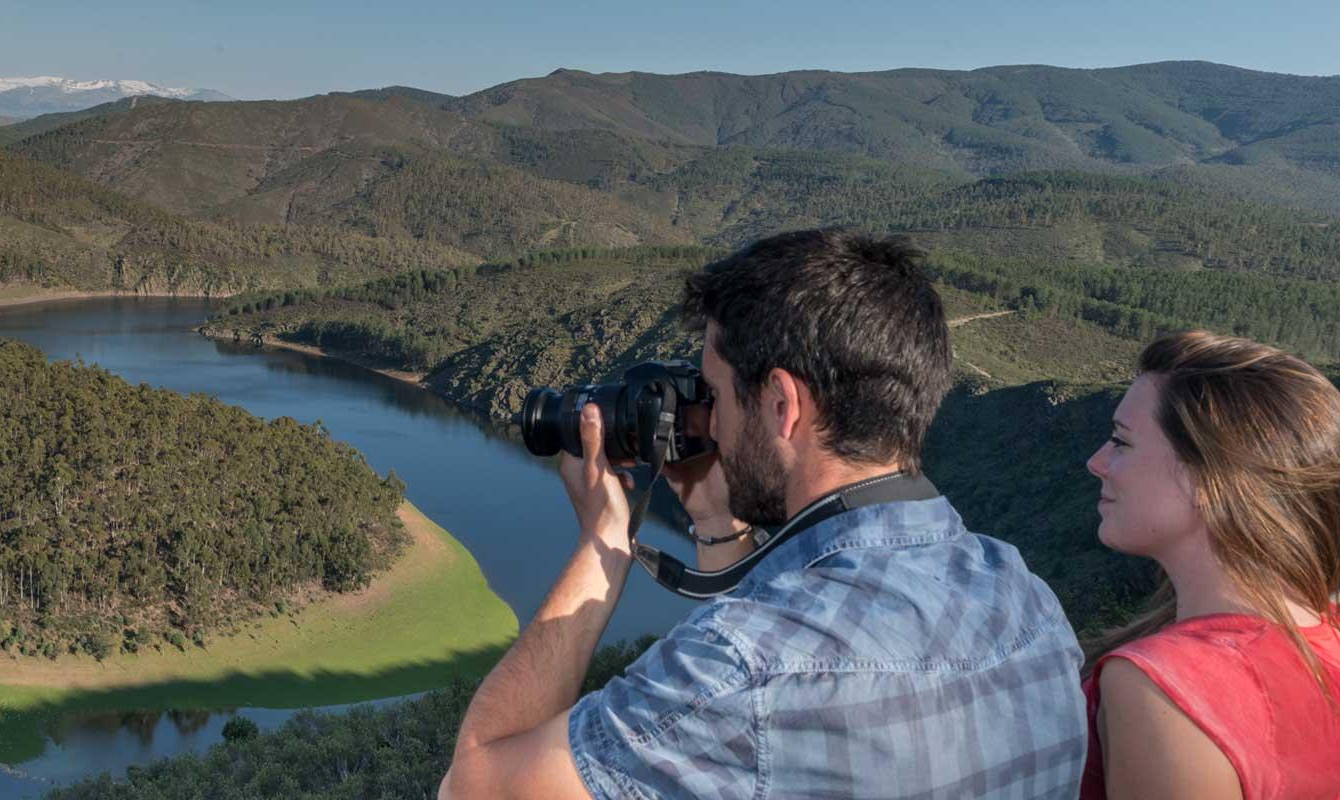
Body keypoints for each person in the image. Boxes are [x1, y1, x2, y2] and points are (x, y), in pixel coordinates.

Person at [439, 230, 1086, 799]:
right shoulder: (1025, 600)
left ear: (782, 403)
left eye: (716, 395)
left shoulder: (748, 667)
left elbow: (475, 787)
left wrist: (603, 543)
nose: (712, 424)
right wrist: (718, 525)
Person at [1081, 331, 1340, 799]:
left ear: (1208, 479)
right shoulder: (1327, 638)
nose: (1096, 462)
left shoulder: (1167, 687)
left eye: (1121, 442)